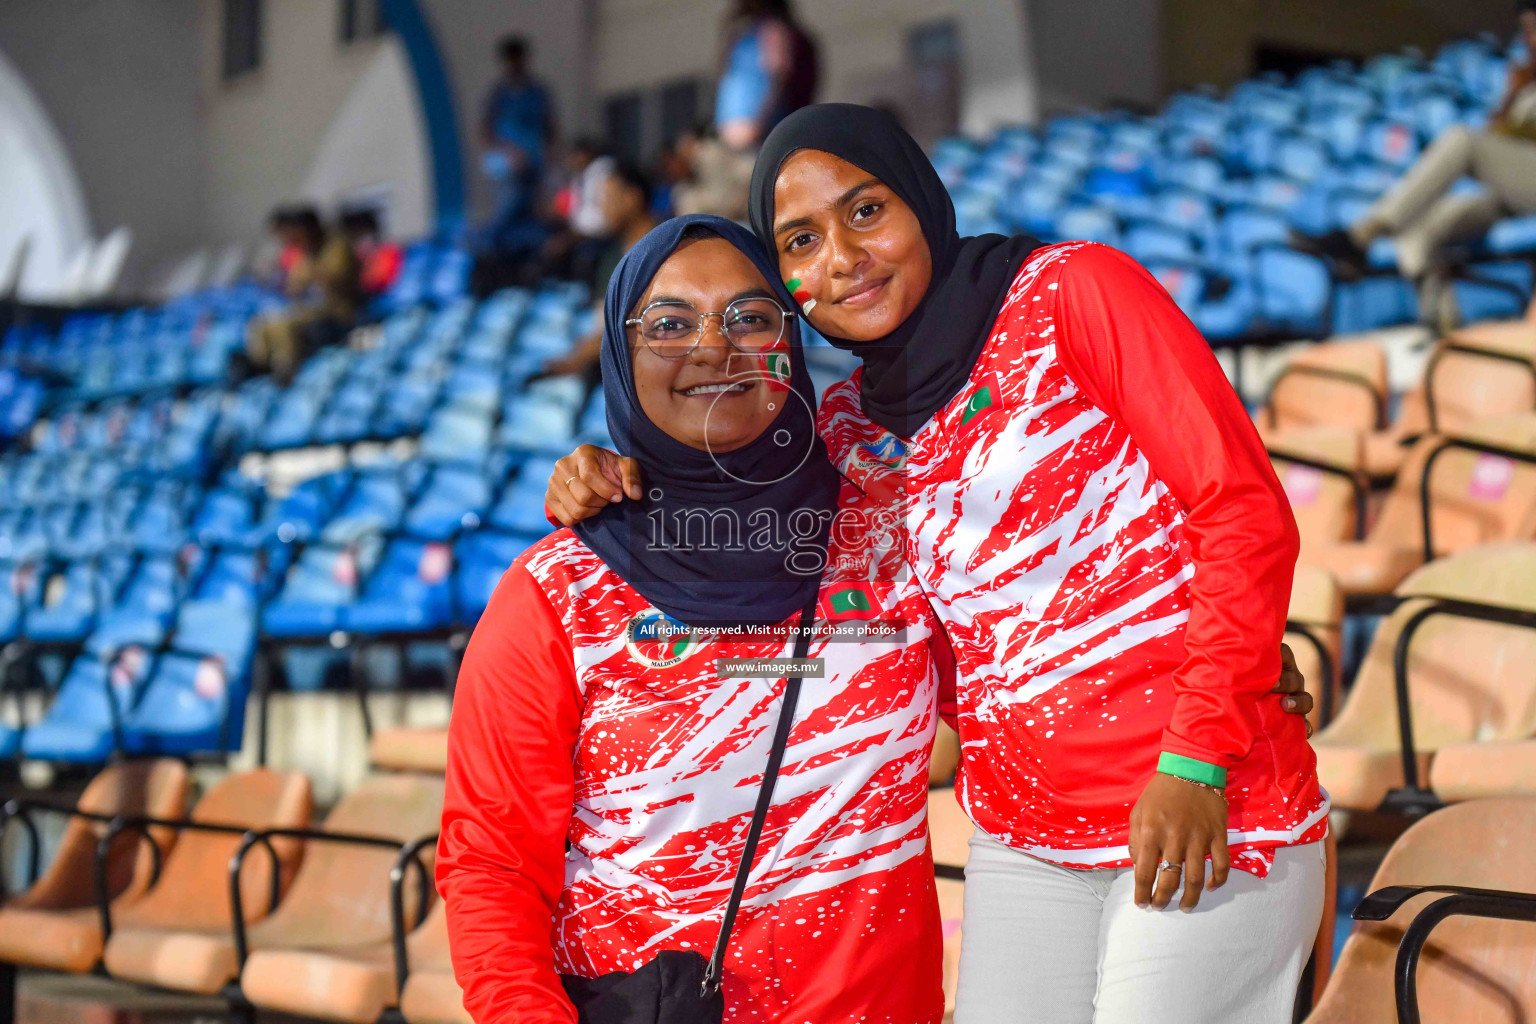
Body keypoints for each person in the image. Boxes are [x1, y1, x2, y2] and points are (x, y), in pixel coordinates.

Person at [546, 104, 1327, 1024]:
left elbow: (1241, 509)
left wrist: (1198, 752)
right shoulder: (849, 430)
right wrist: (610, 475)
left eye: (866, 211)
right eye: (801, 240)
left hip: (1200, 800)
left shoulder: (1072, 294)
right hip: (1024, 837)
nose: (841, 257)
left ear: (921, 200)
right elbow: (740, 515)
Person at [438, 215, 951, 1023]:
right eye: (670, 324)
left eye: (751, 317)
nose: (715, 348)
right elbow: (492, 867)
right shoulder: (557, 596)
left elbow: (1011, 703)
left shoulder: (895, 541)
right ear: (621, 352)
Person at [1294, 2, 1536, 323]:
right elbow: (1500, 140)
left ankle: (1363, 234)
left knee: (1461, 139)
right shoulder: (1524, 83)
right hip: (1512, 192)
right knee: (1415, 234)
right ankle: (1447, 330)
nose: (1531, 39)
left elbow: (1489, 146)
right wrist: (1511, 95)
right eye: (1527, 31)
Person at [543, 161, 659, 380]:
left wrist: (575, 360)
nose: (603, 209)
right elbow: (605, 325)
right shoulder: (611, 259)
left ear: (632, 197)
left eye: (608, 198)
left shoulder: (667, 247)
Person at [246, 207, 362, 383]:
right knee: (260, 324)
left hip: (338, 310)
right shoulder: (305, 253)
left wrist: (313, 274)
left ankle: (287, 373)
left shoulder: (337, 246)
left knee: (283, 325)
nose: (296, 238)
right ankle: (261, 370)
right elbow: (293, 289)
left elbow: (336, 282)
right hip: (311, 307)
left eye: (299, 232)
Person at [479, 35, 555, 258]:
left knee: (534, 219)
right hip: (507, 170)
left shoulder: (537, 92)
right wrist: (508, 152)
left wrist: (550, 157)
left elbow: (549, 126)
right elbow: (485, 131)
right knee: (507, 217)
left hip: (534, 165)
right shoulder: (498, 94)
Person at [715, 0, 819, 150]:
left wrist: (762, 123)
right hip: (740, 137)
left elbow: (780, 77)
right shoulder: (744, 33)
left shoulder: (773, 30)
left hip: (762, 135)